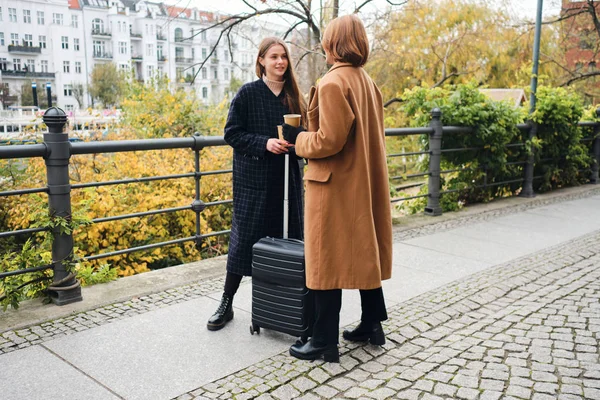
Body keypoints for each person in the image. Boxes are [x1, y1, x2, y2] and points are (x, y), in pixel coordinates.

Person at [282, 15, 392, 362]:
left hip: (334, 184)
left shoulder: (332, 84)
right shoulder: (367, 82)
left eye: (326, 39)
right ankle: (372, 325)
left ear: (333, 44)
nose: (323, 45)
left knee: (325, 260)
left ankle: (323, 341)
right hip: (363, 181)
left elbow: (329, 141)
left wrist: (297, 139)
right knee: (363, 251)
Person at [206, 37, 306, 331]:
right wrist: (265, 143)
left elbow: (308, 136)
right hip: (254, 182)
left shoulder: (294, 97)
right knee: (244, 244)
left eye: (284, 57)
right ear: (261, 60)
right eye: (274, 57)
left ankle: (281, 304)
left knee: (288, 243)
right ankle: (226, 303)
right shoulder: (248, 94)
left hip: (287, 181)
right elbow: (232, 134)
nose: (280, 62)